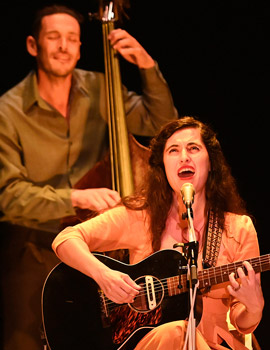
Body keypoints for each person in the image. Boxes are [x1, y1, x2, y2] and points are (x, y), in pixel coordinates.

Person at [0, 4, 178, 350]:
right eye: (54, 37)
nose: (64, 46)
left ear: (81, 47)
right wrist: (75, 197)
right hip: (34, 246)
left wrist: (147, 66)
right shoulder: (7, 111)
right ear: (33, 45)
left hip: (97, 248)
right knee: (27, 341)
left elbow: (160, 125)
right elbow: (7, 195)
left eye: (72, 39)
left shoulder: (100, 88)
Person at [52, 116, 264, 350]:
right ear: (162, 165)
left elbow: (242, 322)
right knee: (176, 332)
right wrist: (103, 275)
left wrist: (254, 308)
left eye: (193, 148)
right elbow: (65, 239)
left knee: (179, 333)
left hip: (214, 345)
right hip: (148, 343)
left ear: (211, 162)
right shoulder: (140, 217)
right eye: (173, 150)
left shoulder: (239, 228)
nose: (184, 156)